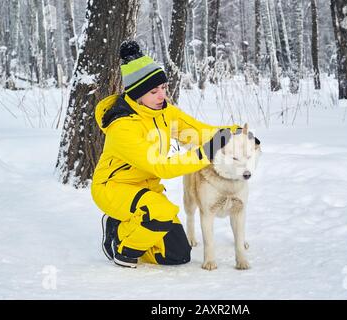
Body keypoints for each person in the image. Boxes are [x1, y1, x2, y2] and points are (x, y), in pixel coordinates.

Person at [91, 40, 238, 268]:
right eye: (154, 91)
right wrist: (208, 152)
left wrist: (232, 133)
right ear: (137, 94)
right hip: (114, 189)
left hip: (147, 191)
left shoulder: (164, 112)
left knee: (178, 255)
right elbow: (162, 166)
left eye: (163, 88)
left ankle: (135, 227)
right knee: (161, 212)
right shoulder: (123, 127)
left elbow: (197, 132)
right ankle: (121, 243)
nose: (162, 95)